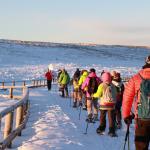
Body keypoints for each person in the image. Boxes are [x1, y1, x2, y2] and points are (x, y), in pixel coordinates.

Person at [122, 55, 150, 150]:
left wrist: (126, 115)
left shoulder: (136, 78)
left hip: (142, 118)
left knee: (141, 145)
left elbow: (127, 98)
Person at [94, 72, 117, 137]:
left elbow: (98, 95)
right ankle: (112, 131)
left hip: (103, 104)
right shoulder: (113, 85)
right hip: (112, 104)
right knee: (111, 118)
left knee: (102, 117)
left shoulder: (102, 85)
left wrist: (94, 95)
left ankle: (101, 128)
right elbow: (115, 94)